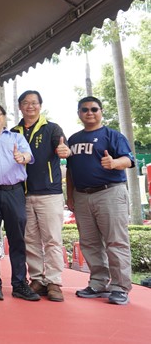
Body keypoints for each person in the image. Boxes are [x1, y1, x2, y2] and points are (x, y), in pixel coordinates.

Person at [65, 96, 134, 306]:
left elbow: (128, 160)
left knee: (116, 241)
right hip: (82, 195)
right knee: (89, 243)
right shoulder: (73, 139)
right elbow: (70, 170)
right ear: (79, 113)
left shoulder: (113, 135)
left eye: (94, 109)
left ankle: (120, 286)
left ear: (101, 111)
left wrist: (114, 163)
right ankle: (98, 282)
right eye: (85, 109)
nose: (90, 113)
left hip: (109, 192)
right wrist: (70, 195)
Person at [0, 103, 40, 301]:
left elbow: (29, 155)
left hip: (14, 192)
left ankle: (19, 283)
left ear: (4, 117)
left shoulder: (16, 137)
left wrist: (22, 157)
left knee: (17, 239)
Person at [11, 90, 70, 301]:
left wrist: (64, 151)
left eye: (34, 103)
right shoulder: (13, 132)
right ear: (20, 106)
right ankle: (37, 279)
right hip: (22, 194)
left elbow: (63, 147)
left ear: (40, 105)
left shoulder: (52, 128)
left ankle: (54, 281)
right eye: (26, 103)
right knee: (30, 240)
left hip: (49, 193)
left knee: (52, 239)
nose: (30, 106)